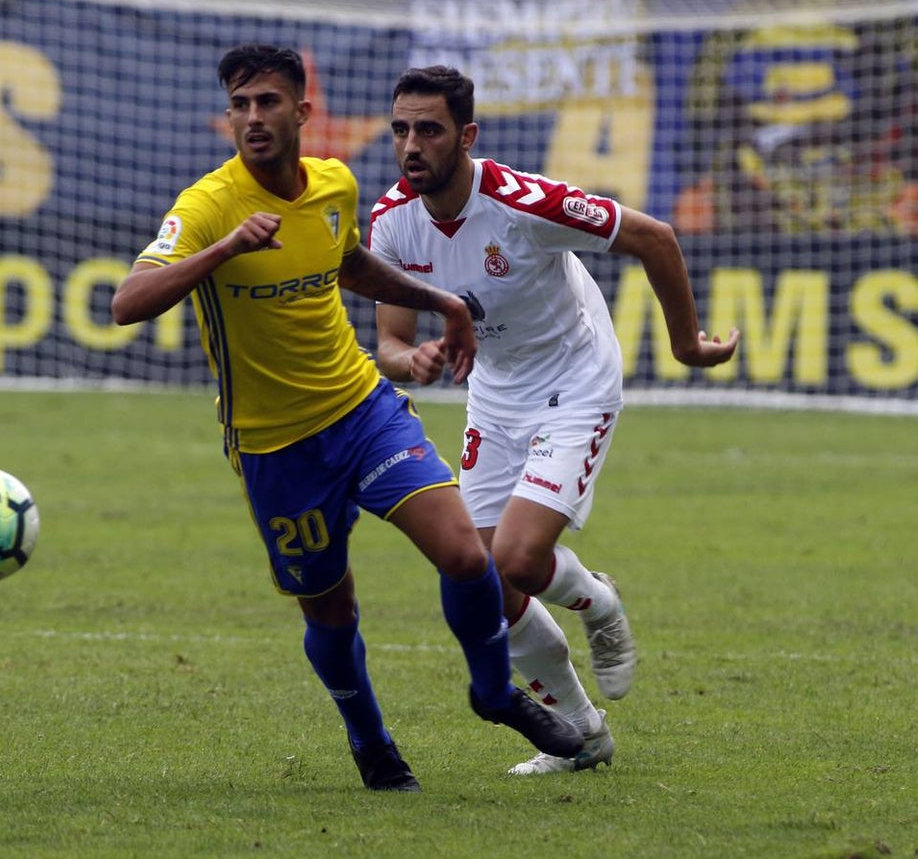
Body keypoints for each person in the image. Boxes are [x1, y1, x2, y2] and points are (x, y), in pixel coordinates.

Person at [111, 46, 584, 792]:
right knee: (332, 607)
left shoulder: (333, 182)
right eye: (240, 105)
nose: (253, 118)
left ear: (303, 113)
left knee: (466, 555)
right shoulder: (207, 207)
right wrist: (225, 249)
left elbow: (349, 261)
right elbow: (126, 303)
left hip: (363, 410)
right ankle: (372, 745)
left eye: (268, 102)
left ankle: (495, 692)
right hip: (276, 448)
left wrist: (443, 302)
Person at [371, 66, 740, 775]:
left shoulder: (524, 203)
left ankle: (598, 601)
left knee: (515, 557)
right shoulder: (391, 222)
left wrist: (687, 344)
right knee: (486, 580)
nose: (411, 145)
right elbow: (388, 340)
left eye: (429, 129)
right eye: (400, 129)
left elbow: (655, 236)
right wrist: (407, 358)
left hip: (575, 379)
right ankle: (580, 733)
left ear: (467, 136)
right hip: (496, 391)